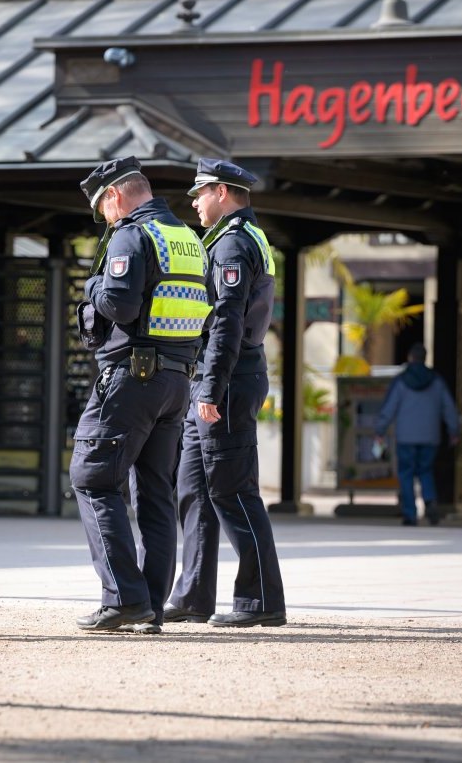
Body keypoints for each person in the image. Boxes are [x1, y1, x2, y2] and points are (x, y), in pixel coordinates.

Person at [71, 156, 213, 634]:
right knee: (155, 493)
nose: (105, 220)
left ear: (114, 195)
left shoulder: (133, 235)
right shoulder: (187, 239)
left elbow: (120, 303)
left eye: (102, 209)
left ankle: (123, 599)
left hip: (132, 377)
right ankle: (149, 605)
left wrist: (91, 284)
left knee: (93, 478)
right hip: (176, 381)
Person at [163, 157, 287, 629]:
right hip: (217, 378)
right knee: (194, 489)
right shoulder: (236, 237)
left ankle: (260, 601)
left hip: (228, 378)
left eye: (199, 193)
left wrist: (210, 387)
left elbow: (227, 323)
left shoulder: (233, 244)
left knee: (233, 490)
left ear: (221, 191)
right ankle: (193, 595)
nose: (194, 202)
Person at [373, 344, 459, 526]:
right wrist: (453, 430)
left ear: (410, 357)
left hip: (406, 436)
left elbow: (389, 409)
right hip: (430, 436)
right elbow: (449, 408)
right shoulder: (436, 381)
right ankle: (429, 502)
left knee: (406, 474)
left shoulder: (401, 381)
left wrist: (380, 430)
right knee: (426, 471)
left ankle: (410, 514)